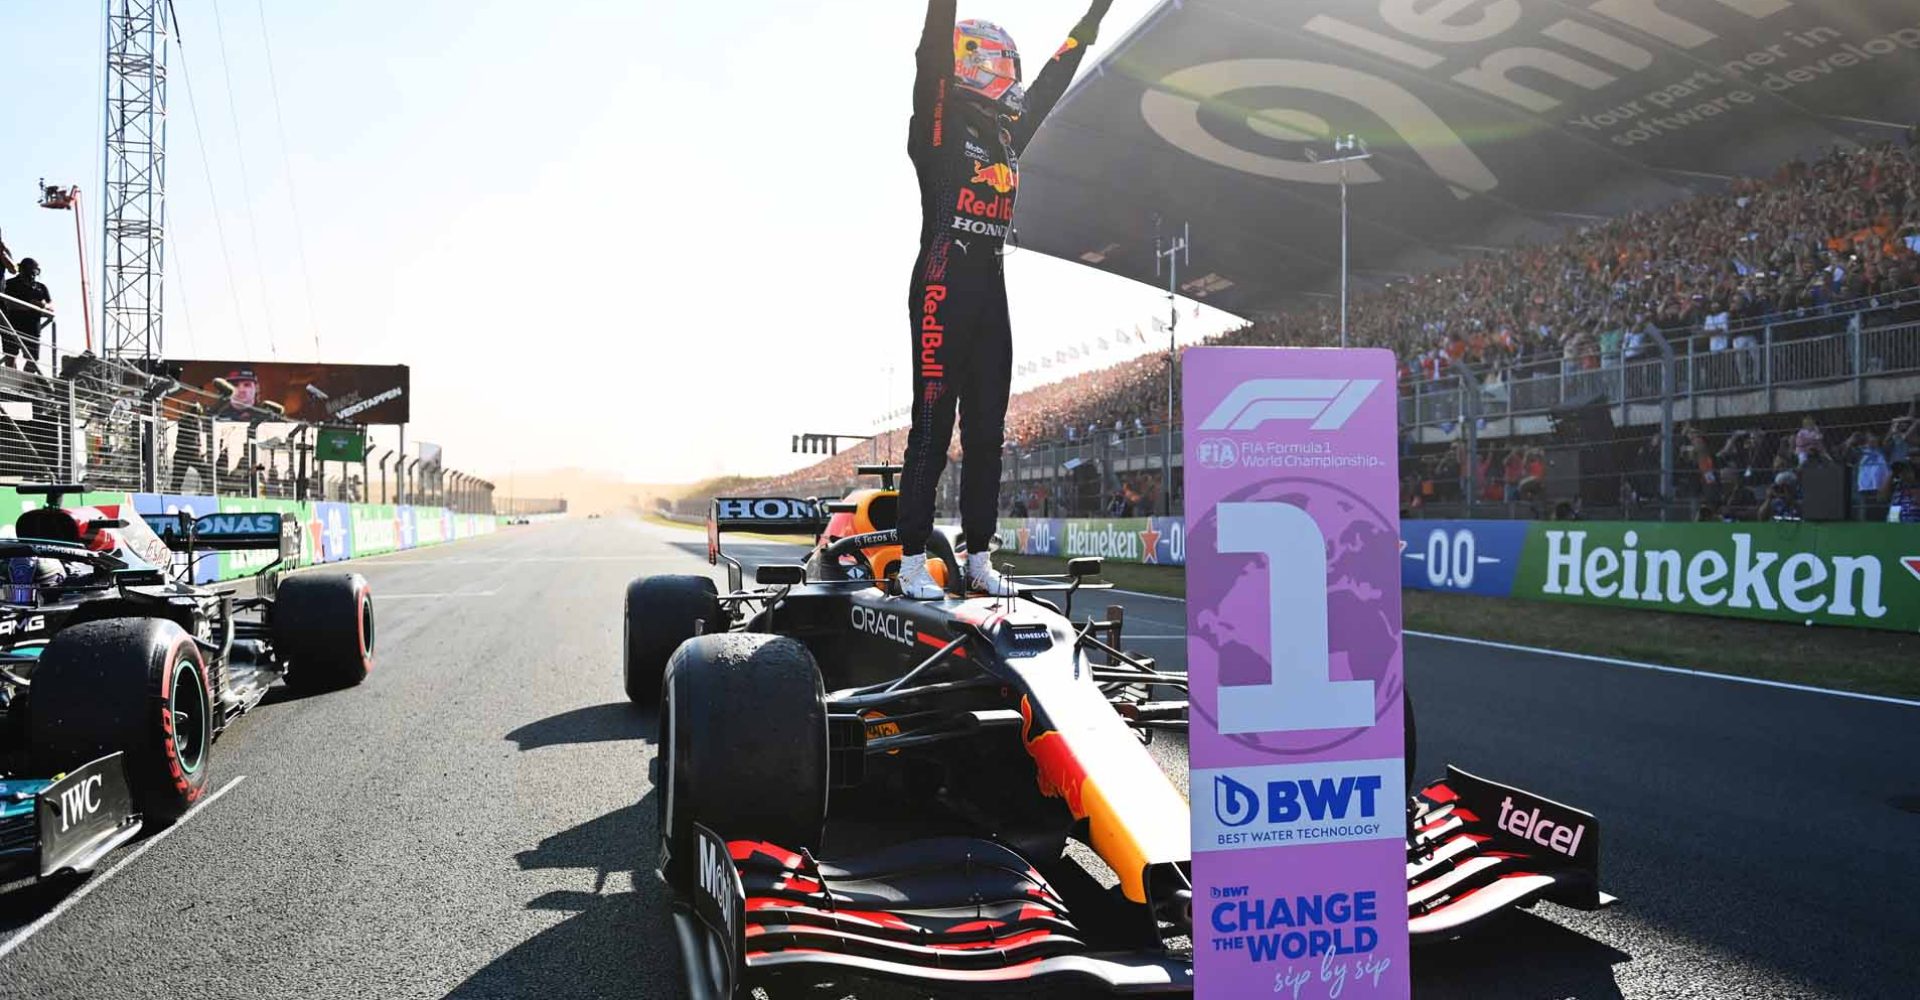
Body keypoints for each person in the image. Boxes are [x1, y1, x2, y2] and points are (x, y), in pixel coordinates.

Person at [896, 0, 1114, 599]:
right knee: (932, 430)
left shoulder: (1006, 133)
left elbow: (1053, 77)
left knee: (988, 433)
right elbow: (930, 53)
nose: (1009, 70)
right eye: (998, 59)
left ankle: (977, 557)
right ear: (972, 63)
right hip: (944, 280)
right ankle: (911, 559)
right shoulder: (937, 122)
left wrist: (1094, 17)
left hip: (991, 288)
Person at [1, 257, 53, 374]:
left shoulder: (41, 287)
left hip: (33, 327)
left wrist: (43, 305)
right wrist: (29, 306)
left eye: (35, 271)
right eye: (31, 270)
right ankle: (13, 382)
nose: (33, 274)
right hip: (12, 324)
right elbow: (8, 303)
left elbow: (51, 306)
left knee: (33, 358)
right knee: (11, 355)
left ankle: (25, 383)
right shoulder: (10, 284)